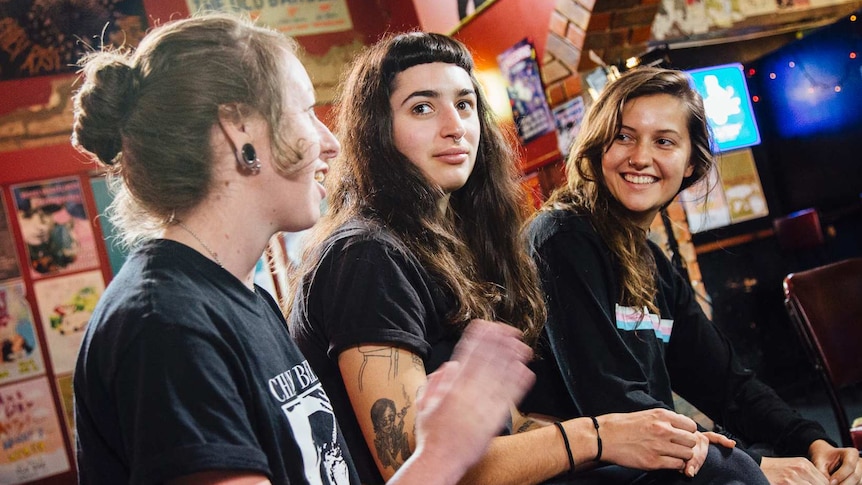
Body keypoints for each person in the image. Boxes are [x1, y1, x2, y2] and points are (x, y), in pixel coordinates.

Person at [70, 13, 537, 485]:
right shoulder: (167, 326)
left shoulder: (245, 300)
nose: (331, 144)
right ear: (240, 131)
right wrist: (444, 453)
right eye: (305, 112)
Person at [288, 32, 764, 485]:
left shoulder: (452, 251)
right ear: (376, 131)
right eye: (422, 108)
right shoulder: (366, 255)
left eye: (464, 104)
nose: (454, 127)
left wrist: (649, 441)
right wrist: (598, 436)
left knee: (718, 465)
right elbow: (411, 467)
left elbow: (511, 429)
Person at [523, 66, 862, 485]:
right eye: (624, 136)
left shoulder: (651, 262)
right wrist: (755, 467)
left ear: (690, 164)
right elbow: (612, 404)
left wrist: (810, 441)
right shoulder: (561, 237)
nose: (641, 156)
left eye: (664, 141)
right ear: (597, 147)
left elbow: (727, 384)